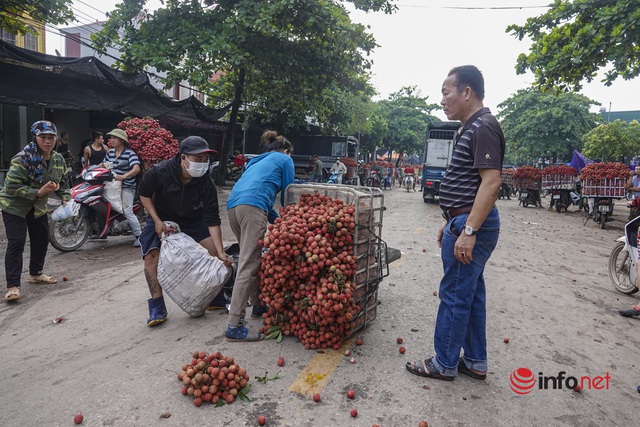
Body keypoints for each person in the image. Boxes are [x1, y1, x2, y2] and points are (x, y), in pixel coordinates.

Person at [405, 65, 504, 381]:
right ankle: (474, 360)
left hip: (472, 225)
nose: (443, 100)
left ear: (466, 92)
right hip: (462, 220)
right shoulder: (470, 127)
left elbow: (491, 182)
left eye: (446, 93)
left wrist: (469, 229)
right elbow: (469, 184)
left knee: (455, 295)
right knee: (471, 294)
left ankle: (444, 362)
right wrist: (452, 222)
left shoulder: (483, 126)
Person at [136, 136, 233, 326]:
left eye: (206, 160)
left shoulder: (206, 184)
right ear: (183, 158)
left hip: (193, 219)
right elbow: (144, 193)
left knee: (213, 253)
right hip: (161, 217)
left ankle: (213, 297)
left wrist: (220, 251)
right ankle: (157, 306)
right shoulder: (160, 172)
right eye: (198, 159)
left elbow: (212, 219)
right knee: (151, 256)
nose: (203, 164)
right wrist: (156, 220)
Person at [225, 130, 295, 341]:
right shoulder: (285, 159)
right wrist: (292, 219)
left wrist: (277, 220)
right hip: (252, 208)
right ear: (286, 150)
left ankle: (257, 305)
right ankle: (234, 325)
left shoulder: (254, 162)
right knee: (249, 263)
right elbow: (288, 194)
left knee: (251, 257)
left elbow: (260, 199)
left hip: (233, 208)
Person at [0, 120, 71, 302]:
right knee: (17, 243)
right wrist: (38, 192)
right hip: (14, 206)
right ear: (35, 138)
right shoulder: (22, 158)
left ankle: (35, 274)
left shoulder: (58, 159)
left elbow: (63, 180)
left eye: (51, 137)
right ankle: (13, 286)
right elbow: (10, 187)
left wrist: (64, 195)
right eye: (43, 137)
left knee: (41, 239)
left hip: (38, 207)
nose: (47, 141)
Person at [102, 128, 142, 246]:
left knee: (127, 210)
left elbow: (136, 168)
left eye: (115, 138)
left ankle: (139, 236)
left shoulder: (129, 153)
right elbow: (104, 165)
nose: (112, 140)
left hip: (126, 186)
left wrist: (124, 176)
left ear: (122, 141)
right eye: (111, 138)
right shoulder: (110, 153)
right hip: (112, 185)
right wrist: (91, 169)